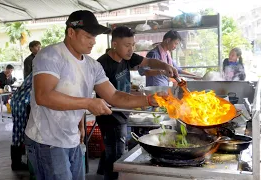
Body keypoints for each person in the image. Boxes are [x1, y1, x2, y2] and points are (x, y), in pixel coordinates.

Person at [24, 10, 174, 180]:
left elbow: (115, 96)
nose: (93, 41)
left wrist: (148, 100)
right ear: (71, 32)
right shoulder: (50, 55)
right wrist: (88, 103)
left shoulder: (92, 65)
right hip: (46, 140)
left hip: (72, 137)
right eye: (89, 36)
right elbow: (44, 96)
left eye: (94, 37)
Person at [96, 26, 177, 180]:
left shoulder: (128, 57)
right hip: (110, 115)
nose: (131, 49)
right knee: (116, 155)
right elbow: (112, 95)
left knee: (113, 151)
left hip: (123, 111)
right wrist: (146, 99)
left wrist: (166, 66)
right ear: (114, 44)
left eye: (133, 45)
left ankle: (106, 172)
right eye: (127, 45)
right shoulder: (102, 64)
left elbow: (148, 61)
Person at [10, 73, 32, 171]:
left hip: (20, 100)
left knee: (19, 131)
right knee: (20, 131)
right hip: (22, 102)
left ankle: (17, 162)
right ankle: (16, 163)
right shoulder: (42, 70)